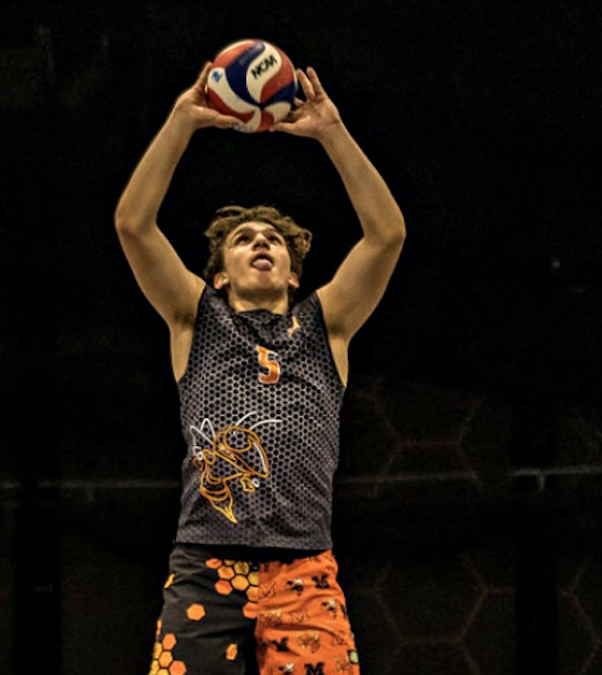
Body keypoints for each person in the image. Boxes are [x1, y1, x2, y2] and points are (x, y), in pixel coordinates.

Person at [114, 60, 404, 675]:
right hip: (204, 567)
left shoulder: (327, 326)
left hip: (304, 570)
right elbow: (133, 225)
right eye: (243, 239)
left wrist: (332, 132)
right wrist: (180, 122)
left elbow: (387, 236)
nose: (261, 242)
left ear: (295, 275)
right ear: (219, 276)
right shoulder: (195, 318)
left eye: (271, 238)